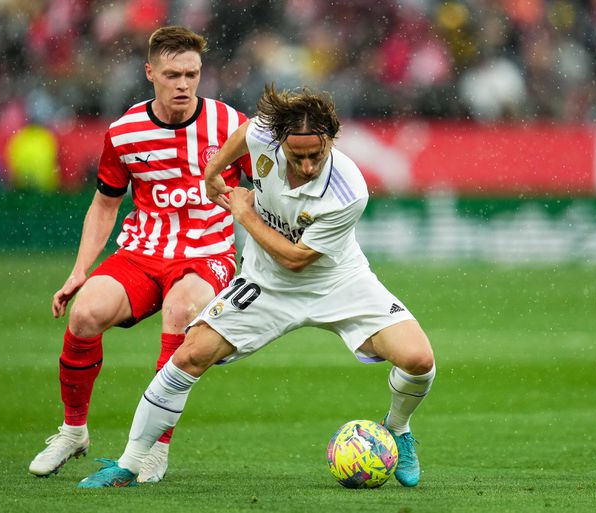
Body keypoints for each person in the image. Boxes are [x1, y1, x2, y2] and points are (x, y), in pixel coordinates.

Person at [76, 84, 436, 489]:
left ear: (331, 140)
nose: (306, 167)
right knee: (190, 355)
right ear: (279, 139)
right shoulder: (263, 133)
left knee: (419, 359)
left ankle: (398, 429)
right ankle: (128, 464)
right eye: (296, 156)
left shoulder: (349, 191)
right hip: (266, 283)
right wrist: (212, 175)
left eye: (315, 156)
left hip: (339, 280)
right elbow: (242, 134)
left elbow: (296, 258)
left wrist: (242, 213)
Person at [28, 26, 250, 482]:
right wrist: (79, 271)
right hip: (143, 252)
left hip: (207, 252)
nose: (184, 84)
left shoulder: (230, 125)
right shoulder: (125, 132)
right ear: (151, 73)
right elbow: (105, 204)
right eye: (172, 74)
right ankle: (73, 432)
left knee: (180, 309)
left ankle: (153, 449)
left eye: (191, 73)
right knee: (85, 314)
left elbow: (264, 184)